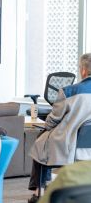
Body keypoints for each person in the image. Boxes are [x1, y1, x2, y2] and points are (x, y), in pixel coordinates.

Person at [28, 53, 91, 203]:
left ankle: (39, 191)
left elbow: (53, 119)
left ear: (83, 70)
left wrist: (47, 126)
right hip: (87, 145)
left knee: (40, 142)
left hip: (70, 144)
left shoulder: (69, 91)